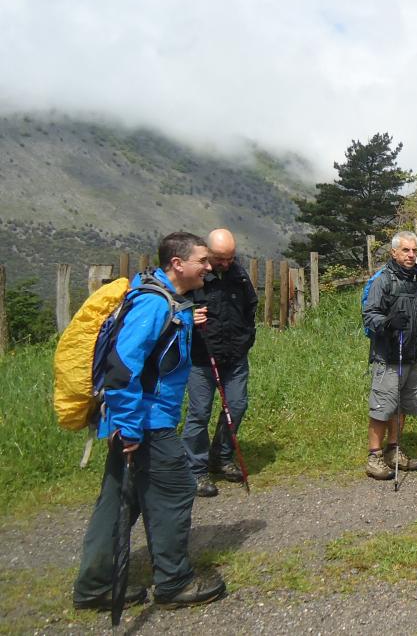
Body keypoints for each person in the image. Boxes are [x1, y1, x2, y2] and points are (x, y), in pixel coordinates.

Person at [74, 232, 227, 611]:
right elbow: (122, 367)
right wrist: (128, 426)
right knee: (175, 490)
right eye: (202, 261)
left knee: (118, 499)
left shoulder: (163, 298)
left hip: (129, 421)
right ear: (178, 264)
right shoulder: (154, 305)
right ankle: (174, 582)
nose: (208, 268)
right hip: (144, 423)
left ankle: (94, 586)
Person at [183, 229, 258, 497]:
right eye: (220, 259)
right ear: (208, 253)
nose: (226, 263)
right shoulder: (194, 277)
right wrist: (188, 318)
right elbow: (175, 309)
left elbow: (251, 306)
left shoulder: (238, 274)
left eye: (231, 258)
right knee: (199, 412)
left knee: (236, 405)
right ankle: (195, 469)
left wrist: (246, 339)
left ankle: (222, 457)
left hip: (235, 355)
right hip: (200, 357)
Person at [362, 231, 417, 479]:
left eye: (414, 250)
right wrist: (388, 322)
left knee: (403, 406)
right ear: (394, 253)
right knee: (383, 407)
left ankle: (394, 450)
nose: (411, 255)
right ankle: (374, 457)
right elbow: (369, 315)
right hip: (388, 355)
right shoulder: (383, 280)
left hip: (414, 354)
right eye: (406, 250)